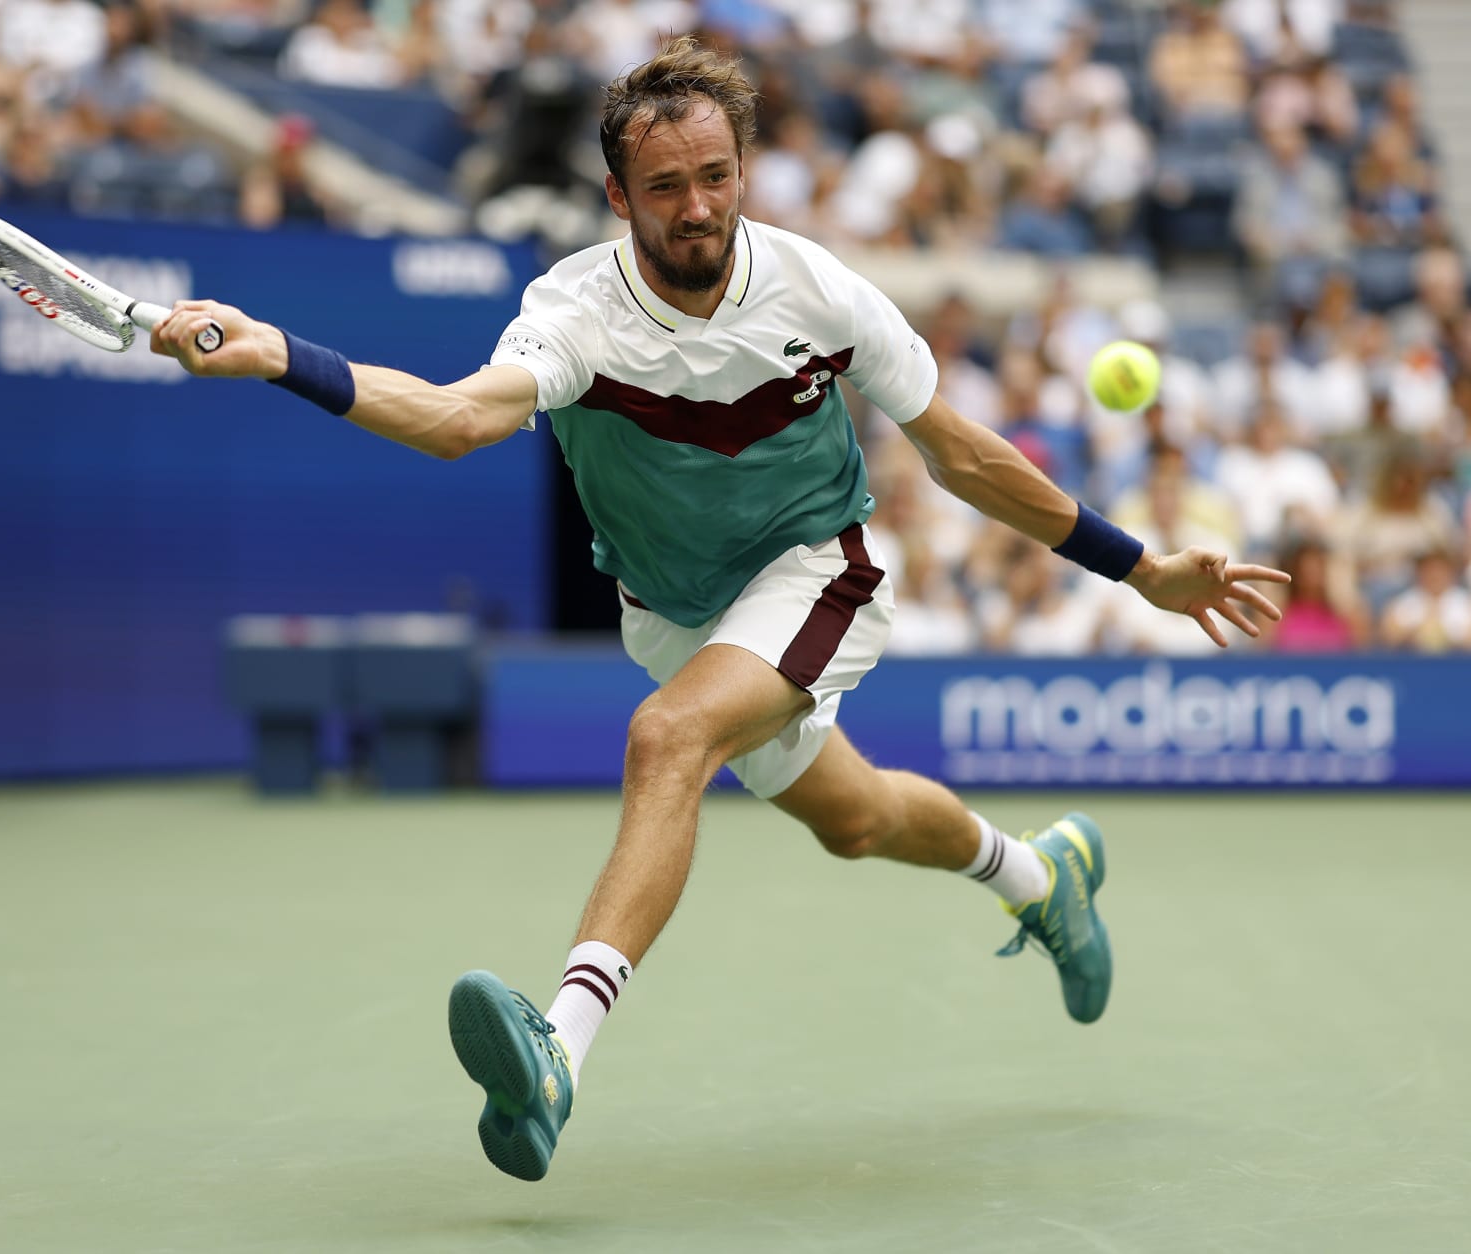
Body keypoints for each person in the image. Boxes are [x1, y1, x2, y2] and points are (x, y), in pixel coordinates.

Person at [149, 37, 1289, 1182]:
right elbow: (454, 418)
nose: (697, 207)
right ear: (617, 196)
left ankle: (558, 1054)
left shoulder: (821, 292)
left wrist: (1139, 569)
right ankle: (1045, 879)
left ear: (743, 168)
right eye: (665, 187)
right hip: (675, 613)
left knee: (669, 737)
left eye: (716, 177)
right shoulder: (574, 313)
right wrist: (278, 354)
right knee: (856, 819)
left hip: (811, 571)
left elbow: (965, 456)